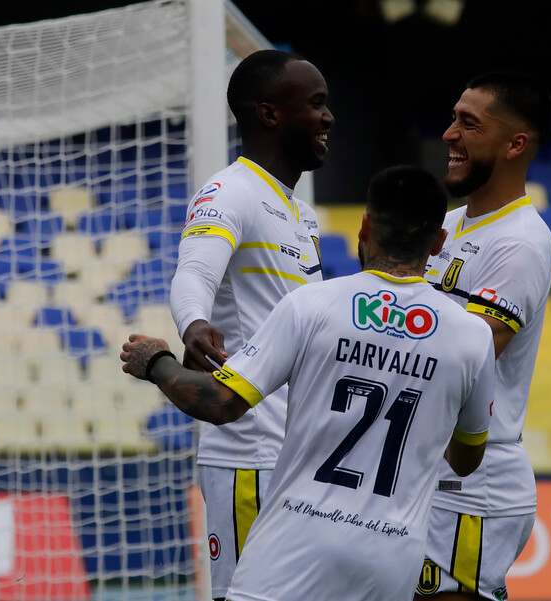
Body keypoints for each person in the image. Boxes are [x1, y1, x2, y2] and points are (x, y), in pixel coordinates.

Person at [123, 165, 495, 601]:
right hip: (391, 557)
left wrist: (156, 362)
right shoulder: (472, 334)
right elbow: (467, 458)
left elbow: (220, 403)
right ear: (438, 243)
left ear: (365, 226)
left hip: (293, 550)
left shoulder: (311, 305)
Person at [168, 49, 333, 600]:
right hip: (249, 459)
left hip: (299, 453)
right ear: (268, 114)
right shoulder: (229, 191)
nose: (328, 117)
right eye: (316, 104)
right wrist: (194, 324)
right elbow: (193, 272)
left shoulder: (299, 212)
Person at [416, 72, 551, 601]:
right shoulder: (448, 225)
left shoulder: (521, 242)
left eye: (468, 123)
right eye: (453, 118)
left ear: (515, 144)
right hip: (433, 469)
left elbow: (469, 357)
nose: (450, 134)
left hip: (473, 483)